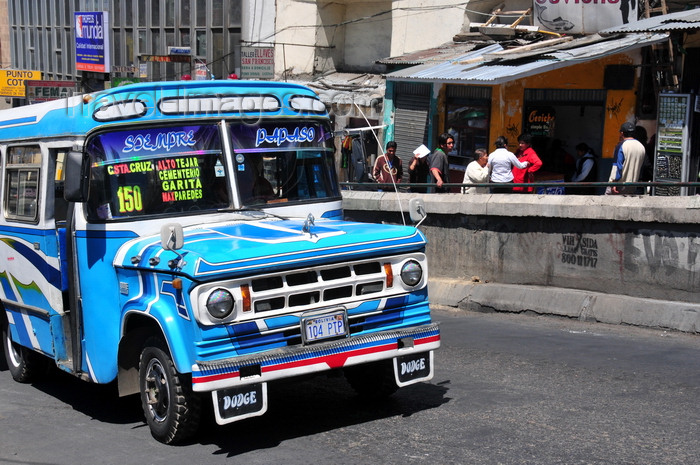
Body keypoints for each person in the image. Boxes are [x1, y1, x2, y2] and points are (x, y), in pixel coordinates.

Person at [607, 122, 646, 195]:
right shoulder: (641, 147)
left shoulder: (621, 145)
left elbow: (617, 167)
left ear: (622, 133)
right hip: (633, 186)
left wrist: (614, 183)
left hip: (619, 185)